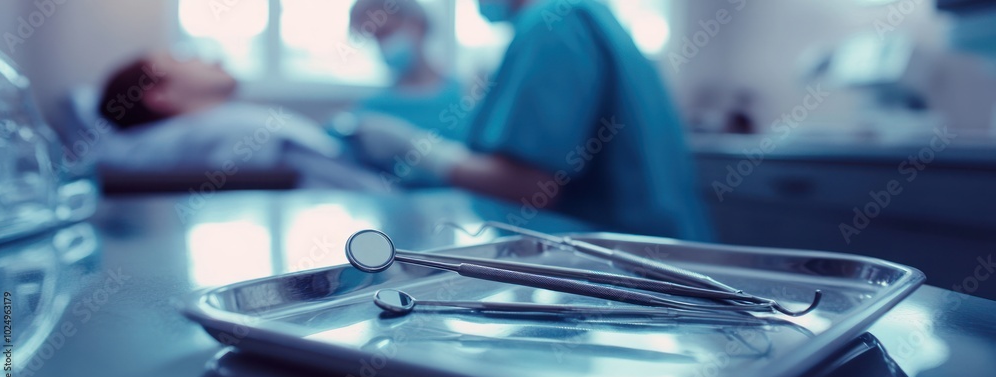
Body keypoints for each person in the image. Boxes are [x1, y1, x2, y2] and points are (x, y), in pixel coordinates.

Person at [356, 0, 712, 240]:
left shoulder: (551, 25)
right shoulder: (586, 14)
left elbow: (532, 187)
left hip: (621, 261)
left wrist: (422, 152)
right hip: (663, 248)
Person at [97, 51, 384, 191]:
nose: (211, 59)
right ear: (160, 96)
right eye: (181, 58)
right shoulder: (229, 132)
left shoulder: (225, 123)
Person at [347, 0, 464, 141]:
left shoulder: (466, 96)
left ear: (417, 25)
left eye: (385, 32)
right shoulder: (373, 110)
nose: (382, 45)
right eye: (375, 37)